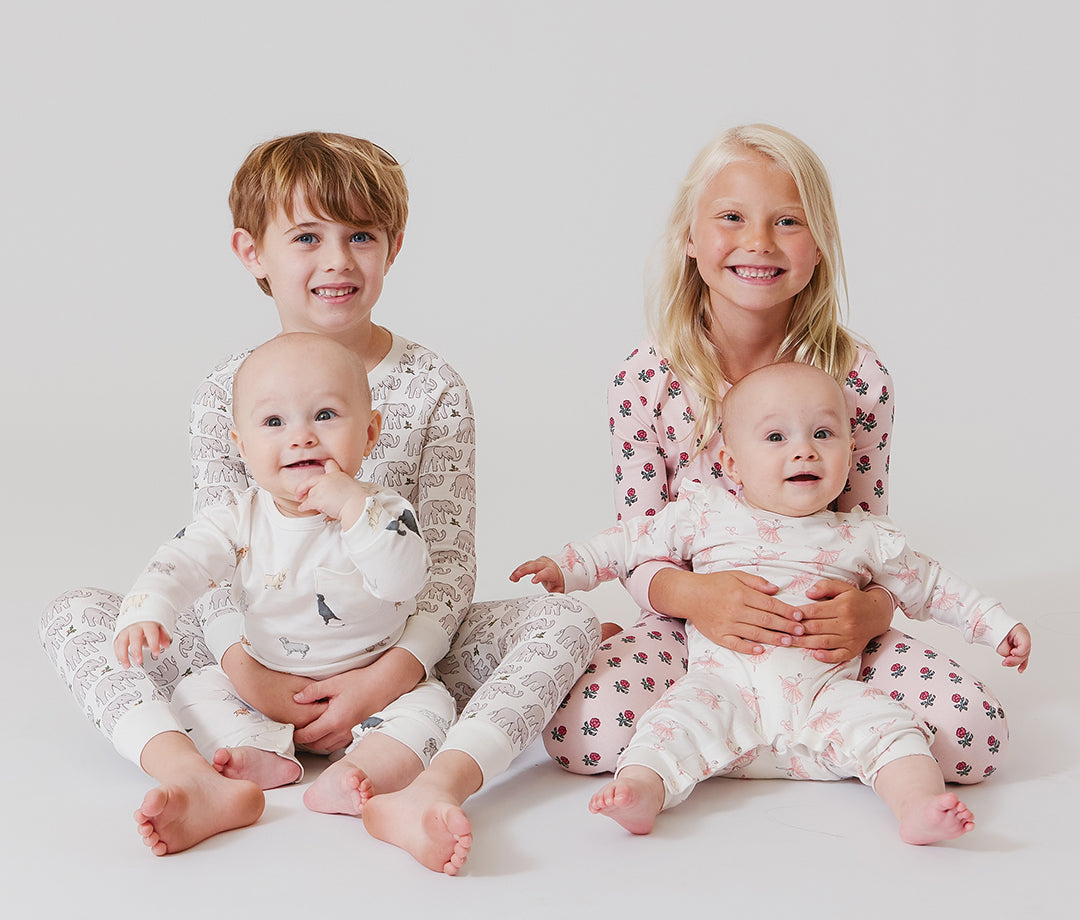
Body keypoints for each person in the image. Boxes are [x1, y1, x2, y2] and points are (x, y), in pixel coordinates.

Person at [41, 133, 599, 869]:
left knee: (568, 620)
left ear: (392, 247)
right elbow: (209, 555)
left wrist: (387, 677)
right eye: (307, 237)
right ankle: (194, 778)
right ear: (252, 252)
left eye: (360, 236)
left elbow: (447, 562)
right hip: (254, 649)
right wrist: (251, 677)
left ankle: (433, 787)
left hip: (396, 651)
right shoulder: (226, 389)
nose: (337, 260)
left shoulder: (432, 386)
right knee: (78, 614)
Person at [528, 124, 1009, 781]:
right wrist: (697, 598)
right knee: (580, 735)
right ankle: (774, 734)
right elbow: (636, 541)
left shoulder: (858, 376)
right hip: (693, 628)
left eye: (788, 221)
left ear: (820, 245)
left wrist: (869, 612)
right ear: (689, 237)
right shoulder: (644, 377)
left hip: (826, 636)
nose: (758, 242)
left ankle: (761, 738)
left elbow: (873, 539)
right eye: (731, 217)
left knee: (974, 739)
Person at [515, 362, 1030, 844]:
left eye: (823, 434)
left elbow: (935, 586)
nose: (804, 451)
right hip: (722, 685)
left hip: (826, 693)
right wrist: (567, 565)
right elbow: (629, 541)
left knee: (890, 728)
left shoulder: (865, 536)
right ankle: (640, 793)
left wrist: (996, 625)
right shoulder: (706, 514)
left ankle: (917, 805)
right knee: (669, 725)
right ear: (731, 464)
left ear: (851, 451)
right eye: (777, 437)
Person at [115, 332, 456, 803]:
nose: (302, 437)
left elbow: (403, 581)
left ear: (370, 432)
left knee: (433, 708)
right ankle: (260, 752)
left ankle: (361, 771)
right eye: (274, 421)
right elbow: (182, 558)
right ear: (241, 446)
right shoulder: (238, 518)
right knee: (196, 694)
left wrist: (353, 510)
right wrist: (150, 607)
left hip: (376, 688)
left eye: (325, 415)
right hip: (263, 688)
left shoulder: (385, 511)